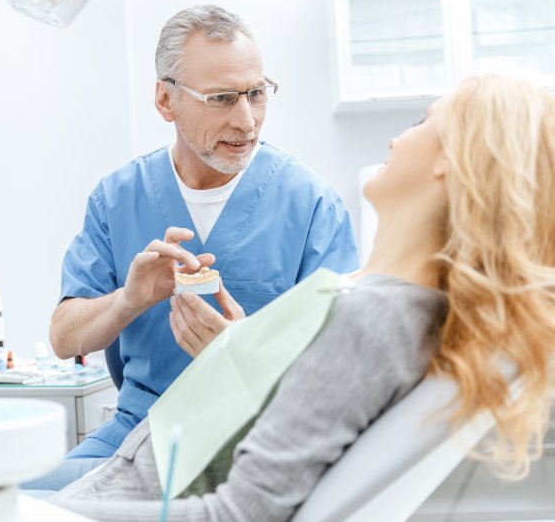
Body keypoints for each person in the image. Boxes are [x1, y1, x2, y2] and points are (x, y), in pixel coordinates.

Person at [45, 74, 555, 520]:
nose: (399, 136)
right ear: (167, 100)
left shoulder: (372, 318)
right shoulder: (390, 306)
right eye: (222, 96)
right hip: (138, 470)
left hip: (138, 490)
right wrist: (241, 352)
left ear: (452, 160)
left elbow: (240, 511)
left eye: (423, 123)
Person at [26, 4, 359, 488]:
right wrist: (129, 300)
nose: (247, 121)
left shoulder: (310, 205)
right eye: (222, 98)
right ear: (166, 100)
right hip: (135, 432)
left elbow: (345, 370)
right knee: (4, 497)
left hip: (253, 439)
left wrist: (244, 353)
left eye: (256, 94)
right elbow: (64, 339)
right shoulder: (117, 198)